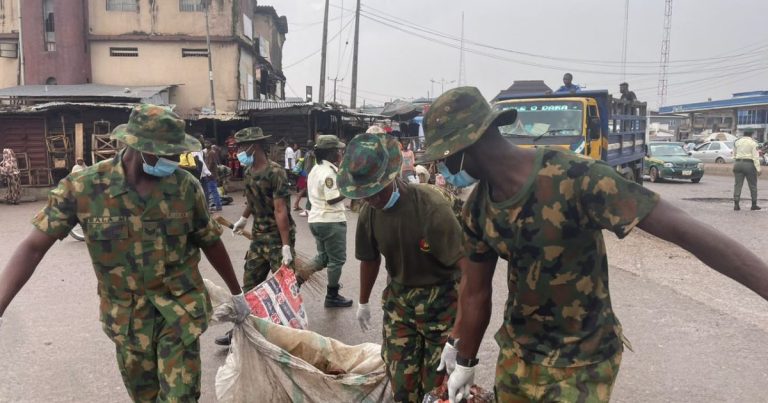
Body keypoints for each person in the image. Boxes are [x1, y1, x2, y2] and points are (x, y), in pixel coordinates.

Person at [419, 87, 768, 403]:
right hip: (519, 357)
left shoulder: (576, 178)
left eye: (445, 156)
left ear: (469, 146)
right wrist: (462, 354)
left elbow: (685, 230)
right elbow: (474, 291)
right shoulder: (477, 209)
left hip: (582, 361)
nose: (444, 168)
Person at [0, 105, 252, 401]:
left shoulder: (185, 187)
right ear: (139, 147)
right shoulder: (85, 188)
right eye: (168, 152)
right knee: (145, 397)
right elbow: (32, 248)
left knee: (181, 397)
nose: (175, 159)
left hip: (180, 314)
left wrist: (238, 294)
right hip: (128, 322)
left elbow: (210, 241)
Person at [338, 133, 466, 402]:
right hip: (399, 304)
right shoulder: (369, 214)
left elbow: (466, 271)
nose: (371, 199)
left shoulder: (430, 207)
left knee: (437, 389)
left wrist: (460, 334)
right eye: (364, 194)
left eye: (375, 191)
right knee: (402, 387)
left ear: (391, 177)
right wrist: (363, 302)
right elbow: (370, 258)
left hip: (441, 303)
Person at [218, 127, 296, 345]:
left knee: (284, 288)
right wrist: (243, 219)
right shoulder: (250, 171)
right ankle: (241, 331)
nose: (240, 151)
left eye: (244, 146)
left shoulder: (276, 172)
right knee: (250, 285)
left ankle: (290, 335)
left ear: (256, 145)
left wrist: (286, 246)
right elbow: (252, 200)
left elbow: (280, 210)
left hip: (277, 237)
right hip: (259, 237)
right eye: (239, 146)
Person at [307, 135, 353, 308]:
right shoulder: (329, 173)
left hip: (316, 219)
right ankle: (332, 295)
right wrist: (350, 190)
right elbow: (332, 198)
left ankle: (297, 279)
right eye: (339, 150)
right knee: (337, 260)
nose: (341, 152)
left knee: (324, 257)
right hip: (331, 220)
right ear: (331, 153)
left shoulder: (316, 169)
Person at [733, 131, 762, 211]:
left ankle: (736, 204)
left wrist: (735, 163)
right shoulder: (753, 143)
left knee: (737, 185)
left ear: (744, 134)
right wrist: (758, 169)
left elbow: (734, 154)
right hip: (749, 164)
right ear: (751, 134)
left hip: (738, 163)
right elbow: (755, 157)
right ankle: (753, 204)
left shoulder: (737, 142)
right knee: (753, 185)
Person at [205, 143, 223, 211]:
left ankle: (218, 206)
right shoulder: (208, 152)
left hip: (211, 174)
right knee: (211, 190)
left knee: (213, 190)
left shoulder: (211, 152)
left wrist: (207, 171)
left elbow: (211, 163)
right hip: (210, 174)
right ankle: (216, 205)